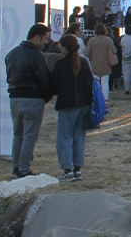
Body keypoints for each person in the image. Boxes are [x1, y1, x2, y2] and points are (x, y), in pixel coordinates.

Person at [4, 24, 51, 178]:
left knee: (18, 135)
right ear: (37, 37)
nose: (46, 42)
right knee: (30, 136)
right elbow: (44, 79)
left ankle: (16, 167)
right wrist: (46, 96)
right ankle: (24, 169)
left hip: (15, 98)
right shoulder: (37, 56)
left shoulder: (12, 53)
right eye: (45, 39)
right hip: (33, 99)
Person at [50, 34, 93, 182]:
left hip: (67, 104)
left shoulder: (60, 65)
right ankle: (77, 169)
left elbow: (54, 87)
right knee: (79, 137)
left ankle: (66, 169)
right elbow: (90, 84)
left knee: (64, 137)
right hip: (84, 104)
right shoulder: (84, 63)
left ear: (65, 47)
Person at [86, 25, 118, 104]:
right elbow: (114, 51)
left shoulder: (92, 40)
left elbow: (87, 53)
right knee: (105, 82)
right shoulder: (108, 40)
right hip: (106, 63)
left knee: (95, 82)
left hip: (94, 63)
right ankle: (105, 99)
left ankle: (95, 98)